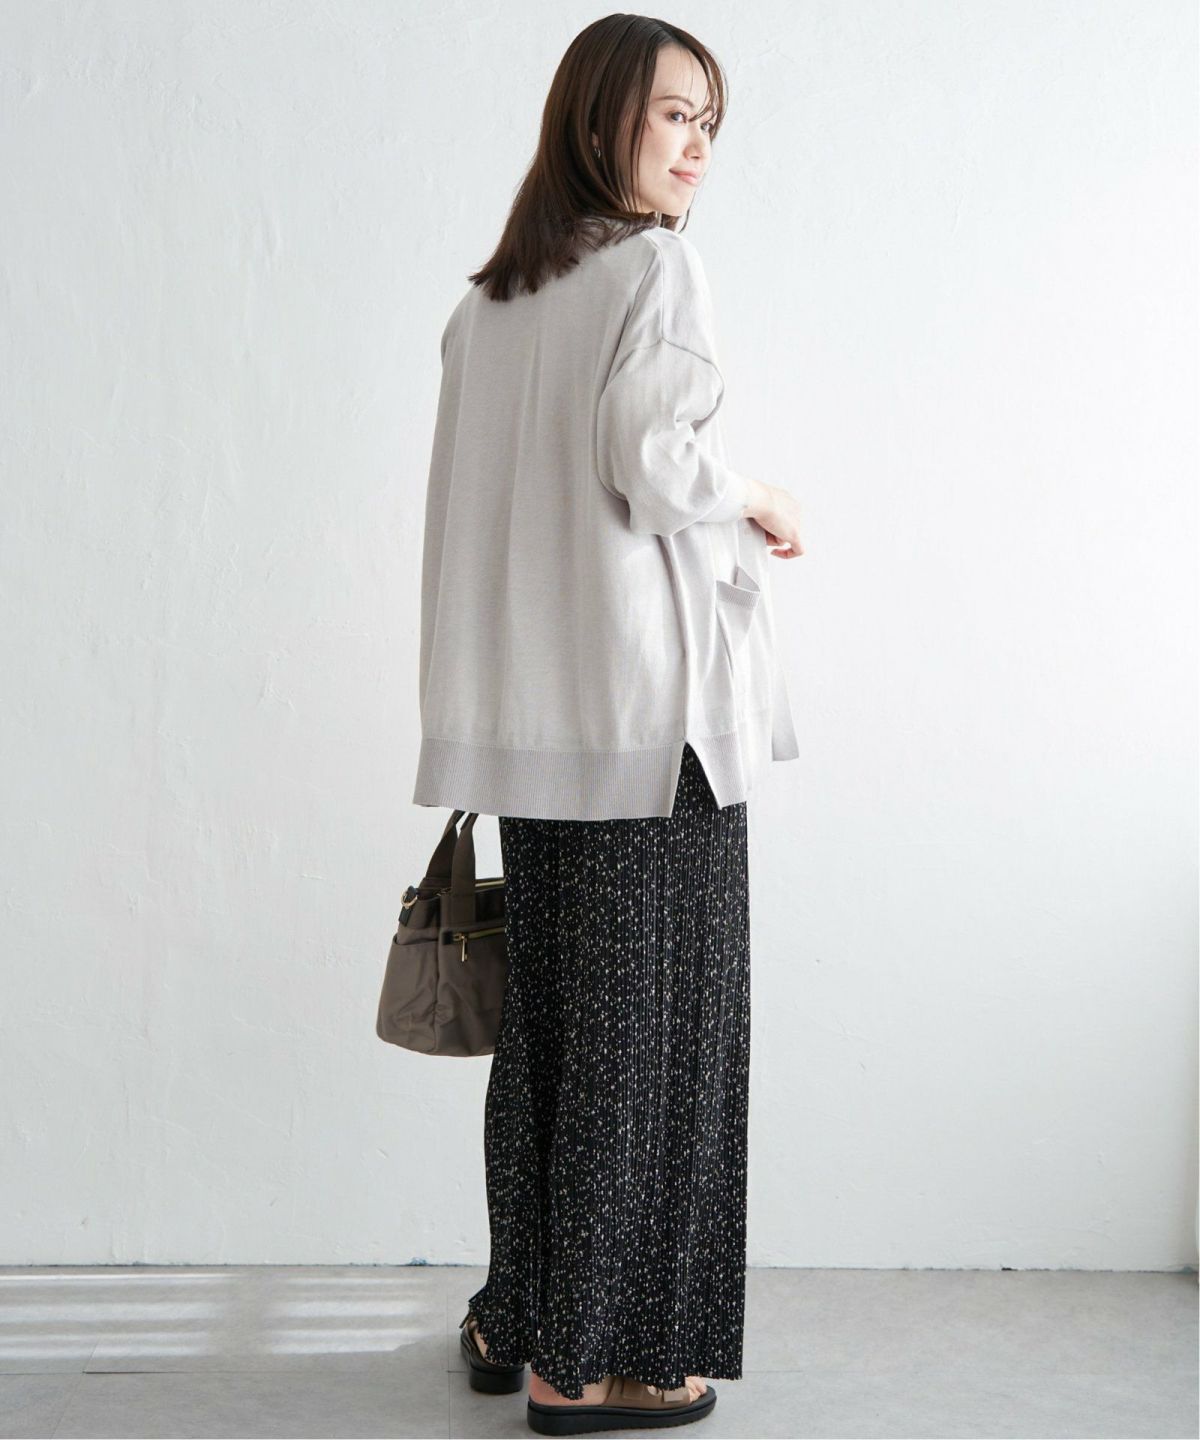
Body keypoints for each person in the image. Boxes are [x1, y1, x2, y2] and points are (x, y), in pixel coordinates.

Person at [413, 14, 805, 1435]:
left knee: (557, 1041)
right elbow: (652, 460)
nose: (697, 146)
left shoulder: (490, 305)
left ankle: (519, 1315)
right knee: (656, 1051)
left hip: (536, 735)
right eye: (672, 114)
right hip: (650, 735)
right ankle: (597, 1365)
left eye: (710, 121)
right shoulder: (653, 268)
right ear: (599, 119)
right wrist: (755, 497)